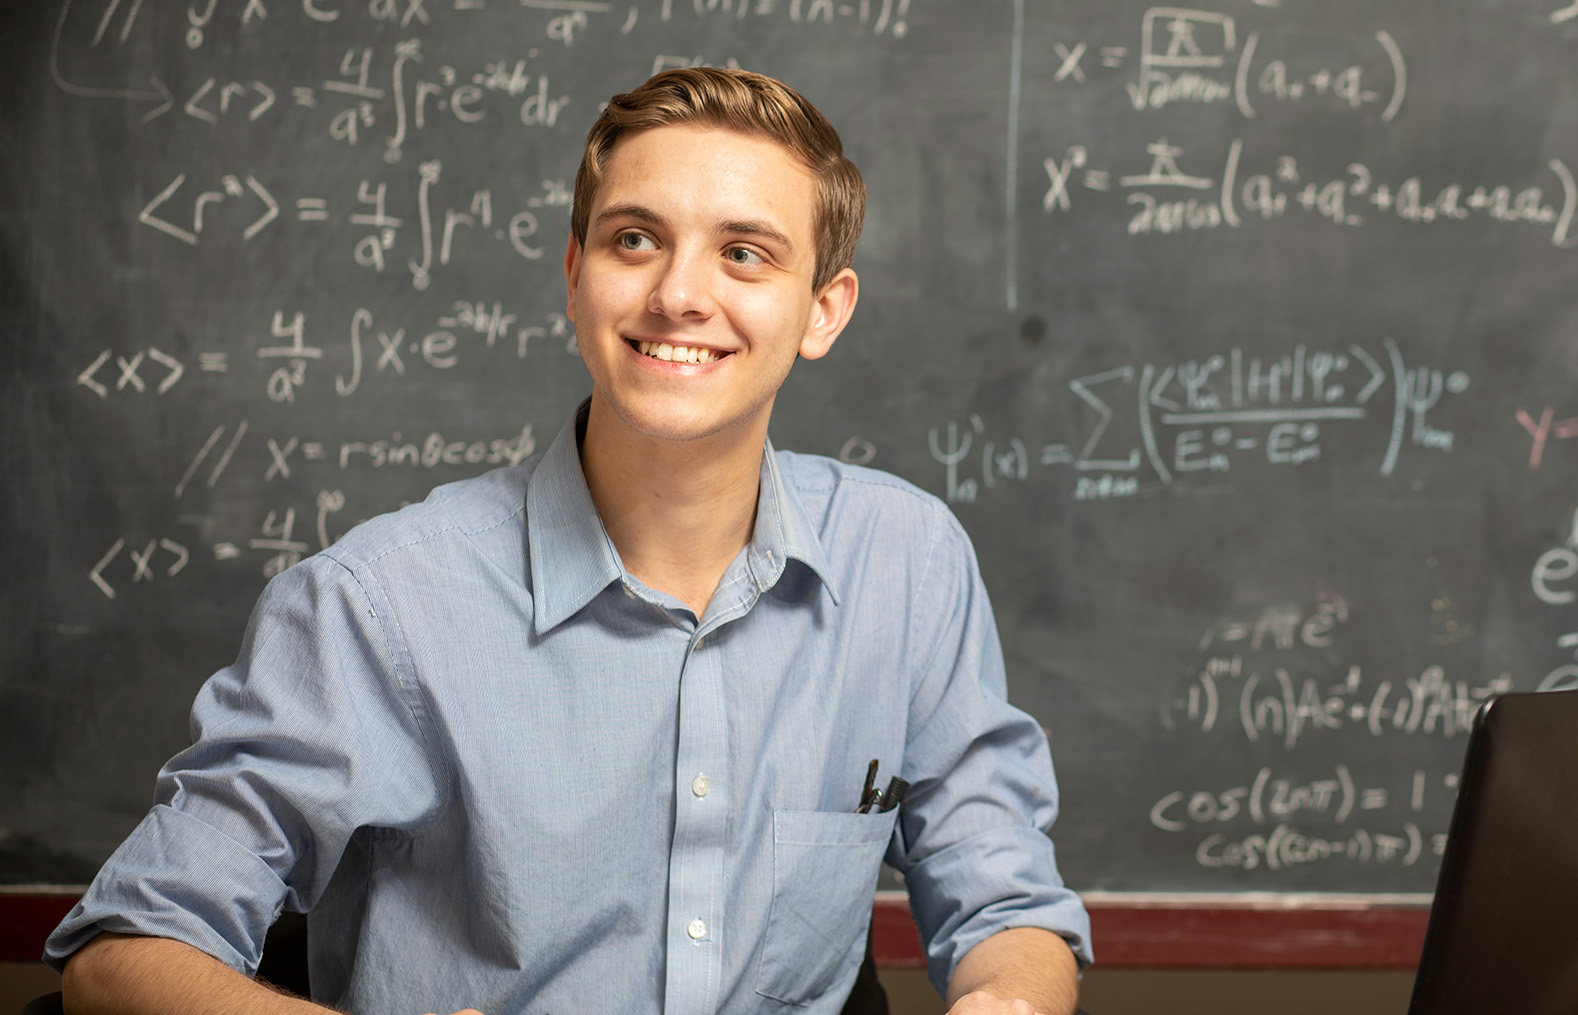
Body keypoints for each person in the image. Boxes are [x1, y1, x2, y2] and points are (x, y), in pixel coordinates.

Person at [46, 67, 1091, 1015]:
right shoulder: (376, 603)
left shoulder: (905, 561)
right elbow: (118, 954)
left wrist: (1002, 1001)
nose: (679, 293)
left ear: (823, 311)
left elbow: (1005, 902)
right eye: (634, 238)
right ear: (575, 276)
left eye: (743, 253)